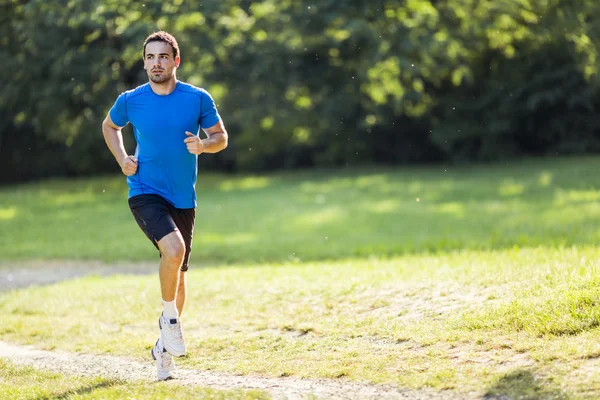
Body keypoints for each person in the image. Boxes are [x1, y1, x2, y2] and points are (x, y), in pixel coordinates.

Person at [102, 31, 228, 380]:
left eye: (162, 56)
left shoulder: (197, 98)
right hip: (144, 189)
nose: (155, 63)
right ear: (144, 63)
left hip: (183, 197)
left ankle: (163, 350)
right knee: (173, 250)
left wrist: (204, 145)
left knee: (179, 273)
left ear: (176, 61)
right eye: (149, 57)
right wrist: (123, 157)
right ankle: (169, 319)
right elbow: (109, 126)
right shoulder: (130, 100)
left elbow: (221, 137)